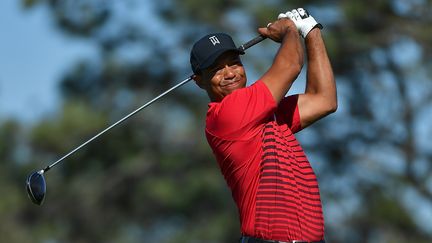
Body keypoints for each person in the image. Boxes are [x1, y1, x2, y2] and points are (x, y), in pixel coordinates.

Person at [190, 8, 336, 243]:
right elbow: (290, 66)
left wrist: (311, 32)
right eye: (216, 69)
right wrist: (290, 29)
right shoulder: (227, 114)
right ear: (199, 81)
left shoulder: (264, 113)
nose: (229, 73)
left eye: (234, 63)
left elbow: (324, 100)